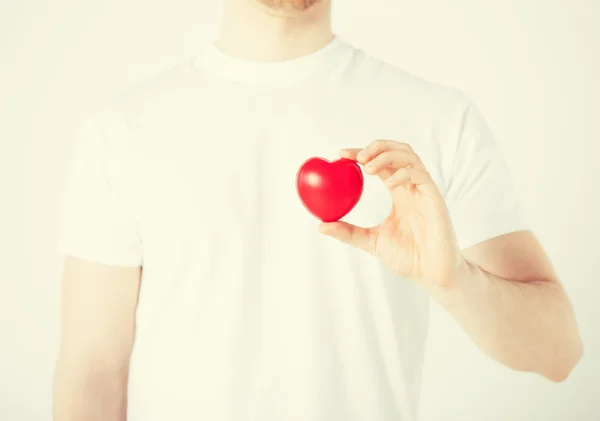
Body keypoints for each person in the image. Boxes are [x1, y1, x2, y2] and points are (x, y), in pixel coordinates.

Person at [52, 0, 583, 420]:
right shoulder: (122, 131)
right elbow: (93, 374)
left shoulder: (441, 120)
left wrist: (455, 281)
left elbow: (558, 352)